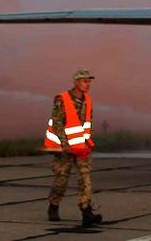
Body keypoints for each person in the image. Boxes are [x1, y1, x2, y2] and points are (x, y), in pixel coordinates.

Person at [44, 69, 102, 227]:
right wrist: (64, 144)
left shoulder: (88, 100)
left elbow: (86, 124)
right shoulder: (62, 99)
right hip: (65, 149)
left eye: (89, 81)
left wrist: (87, 143)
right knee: (61, 180)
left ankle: (86, 211)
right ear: (76, 82)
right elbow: (57, 123)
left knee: (85, 179)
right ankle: (53, 206)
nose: (88, 84)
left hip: (81, 148)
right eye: (84, 81)